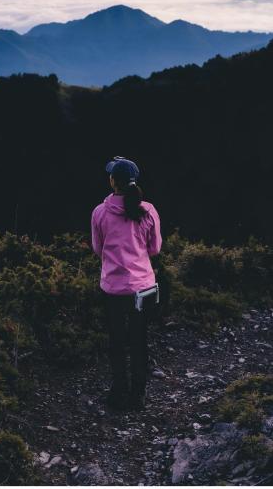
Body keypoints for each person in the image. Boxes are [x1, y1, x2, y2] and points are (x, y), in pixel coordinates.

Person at [91, 156, 162, 411]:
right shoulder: (148, 211)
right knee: (139, 340)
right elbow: (154, 249)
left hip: (113, 288)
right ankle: (138, 395)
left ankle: (118, 391)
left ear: (113, 182)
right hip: (142, 287)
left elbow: (98, 248)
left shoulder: (100, 212)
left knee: (117, 341)